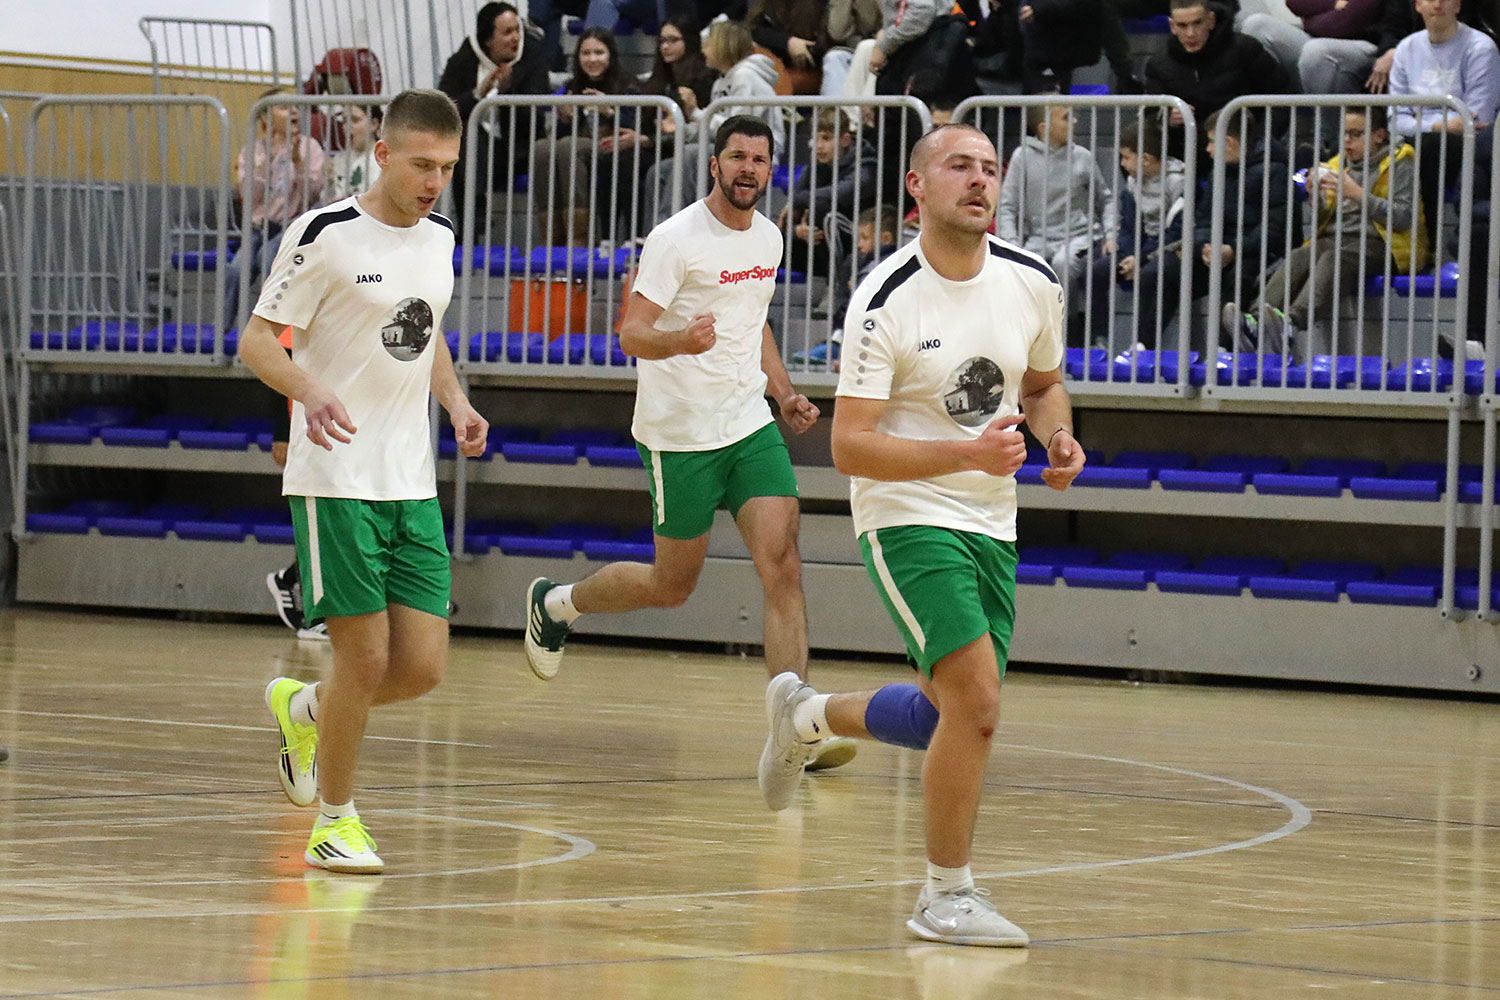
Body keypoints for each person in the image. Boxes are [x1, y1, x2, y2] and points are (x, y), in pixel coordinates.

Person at [757, 122, 1085, 947]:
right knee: (977, 703)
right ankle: (946, 894)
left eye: (989, 169)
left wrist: (1057, 435)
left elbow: (1043, 385)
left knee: (950, 714)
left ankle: (808, 714)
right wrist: (966, 453)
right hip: (905, 513)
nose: (979, 181)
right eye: (959, 166)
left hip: (992, 518)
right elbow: (849, 445)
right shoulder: (887, 297)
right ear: (917, 186)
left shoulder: (1033, 280)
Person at [524, 116, 856, 774]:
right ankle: (559, 603)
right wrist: (681, 340)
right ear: (715, 164)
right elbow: (632, 332)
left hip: (748, 425)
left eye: (759, 159)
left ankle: (798, 724)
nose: (748, 168)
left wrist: (783, 392)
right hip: (679, 435)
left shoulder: (768, 236)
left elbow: (753, 323)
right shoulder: (675, 239)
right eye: (737, 156)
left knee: (784, 564)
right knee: (672, 585)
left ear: (770, 169)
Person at [240, 89, 490, 874]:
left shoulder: (440, 237)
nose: (434, 182)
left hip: (410, 479)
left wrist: (456, 403)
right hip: (337, 475)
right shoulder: (324, 234)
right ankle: (334, 822)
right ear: (382, 155)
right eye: (421, 165)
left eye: (447, 167)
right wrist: (307, 389)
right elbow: (257, 341)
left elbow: (425, 330)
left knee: (422, 668)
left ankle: (305, 708)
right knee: (365, 660)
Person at [1223, 106, 1427, 358]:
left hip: (1384, 243)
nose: (1347, 140)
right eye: (1344, 133)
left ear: (1379, 136)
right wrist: (1315, 198)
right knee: (1300, 255)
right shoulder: (1335, 165)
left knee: (1333, 258)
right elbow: (1328, 216)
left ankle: (1291, 323)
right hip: (1339, 238)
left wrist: (1358, 194)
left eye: (1356, 134)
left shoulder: (1399, 162)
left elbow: (1403, 217)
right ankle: (1256, 322)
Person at [645, 21, 785, 223]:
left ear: (724, 45)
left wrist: (694, 112)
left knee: (692, 154)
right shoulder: (721, 81)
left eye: (709, 44)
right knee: (659, 171)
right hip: (730, 149)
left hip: (755, 152)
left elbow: (738, 130)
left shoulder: (746, 76)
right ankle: (654, 231)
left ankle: (672, 223)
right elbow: (716, 131)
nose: (703, 50)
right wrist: (684, 128)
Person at [997, 104, 1117, 334]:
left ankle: (1065, 329)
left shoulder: (1082, 156)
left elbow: (1106, 201)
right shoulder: (1022, 157)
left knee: (1063, 263)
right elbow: (1007, 206)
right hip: (1039, 238)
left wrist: (1111, 235)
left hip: (1079, 237)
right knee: (1022, 267)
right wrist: (1012, 244)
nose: (1074, 121)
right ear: (1044, 128)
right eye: (1066, 117)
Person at [437, 2, 551, 235]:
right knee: (463, 135)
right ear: (488, 39)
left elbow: (534, 116)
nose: (516, 38)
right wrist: (478, 94)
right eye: (507, 32)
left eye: (517, 30)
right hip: (476, 151)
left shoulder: (533, 58)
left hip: (519, 150)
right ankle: (472, 223)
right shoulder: (463, 60)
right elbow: (443, 111)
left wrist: (507, 92)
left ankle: (471, 226)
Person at [224, 89, 327, 332]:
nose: (293, 111)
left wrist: (298, 162)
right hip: (259, 227)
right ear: (265, 118)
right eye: (284, 107)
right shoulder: (254, 150)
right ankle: (222, 330)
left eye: (294, 107)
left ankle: (270, 330)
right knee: (236, 269)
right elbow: (250, 196)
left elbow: (312, 194)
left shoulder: (310, 147)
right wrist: (264, 165)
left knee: (268, 258)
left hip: (291, 227)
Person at [532, 28, 641, 246]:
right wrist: (566, 118)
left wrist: (609, 111)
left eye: (599, 53)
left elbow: (636, 125)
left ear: (610, 55)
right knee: (542, 148)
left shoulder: (628, 84)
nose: (592, 59)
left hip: (611, 147)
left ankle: (578, 237)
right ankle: (552, 237)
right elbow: (561, 137)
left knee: (569, 146)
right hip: (577, 146)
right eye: (586, 53)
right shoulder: (572, 87)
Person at [1145, 0, 1291, 162]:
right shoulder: (1159, 65)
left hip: (1248, 155)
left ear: (1211, 20)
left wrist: (1257, 142)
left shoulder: (1246, 50)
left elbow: (1282, 96)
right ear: (1172, 26)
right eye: (1182, 25)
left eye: (1197, 23)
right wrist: (1166, 118)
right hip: (1190, 158)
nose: (1190, 33)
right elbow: (1150, 116)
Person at [1087, 121, 1188, 351]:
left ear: (1145, 159)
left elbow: (1177, 233)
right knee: (1098, 271)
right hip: (1142, 247)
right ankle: (1098, 341)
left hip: (1171, 248)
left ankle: (1143, 345)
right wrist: (1125, 251)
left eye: (1126, 157)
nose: (1122, 164)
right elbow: (1131, 227)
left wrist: (1140, 259)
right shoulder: (1133, 181)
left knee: (1151, 274)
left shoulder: (1178, 182)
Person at [323, 104, 384, 203]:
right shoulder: (338, 160)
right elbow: (326, 202)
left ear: (373, 124)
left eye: (355, 120)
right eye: (344, 121)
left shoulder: (384, 160)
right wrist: (329, 181)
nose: (347, 127)